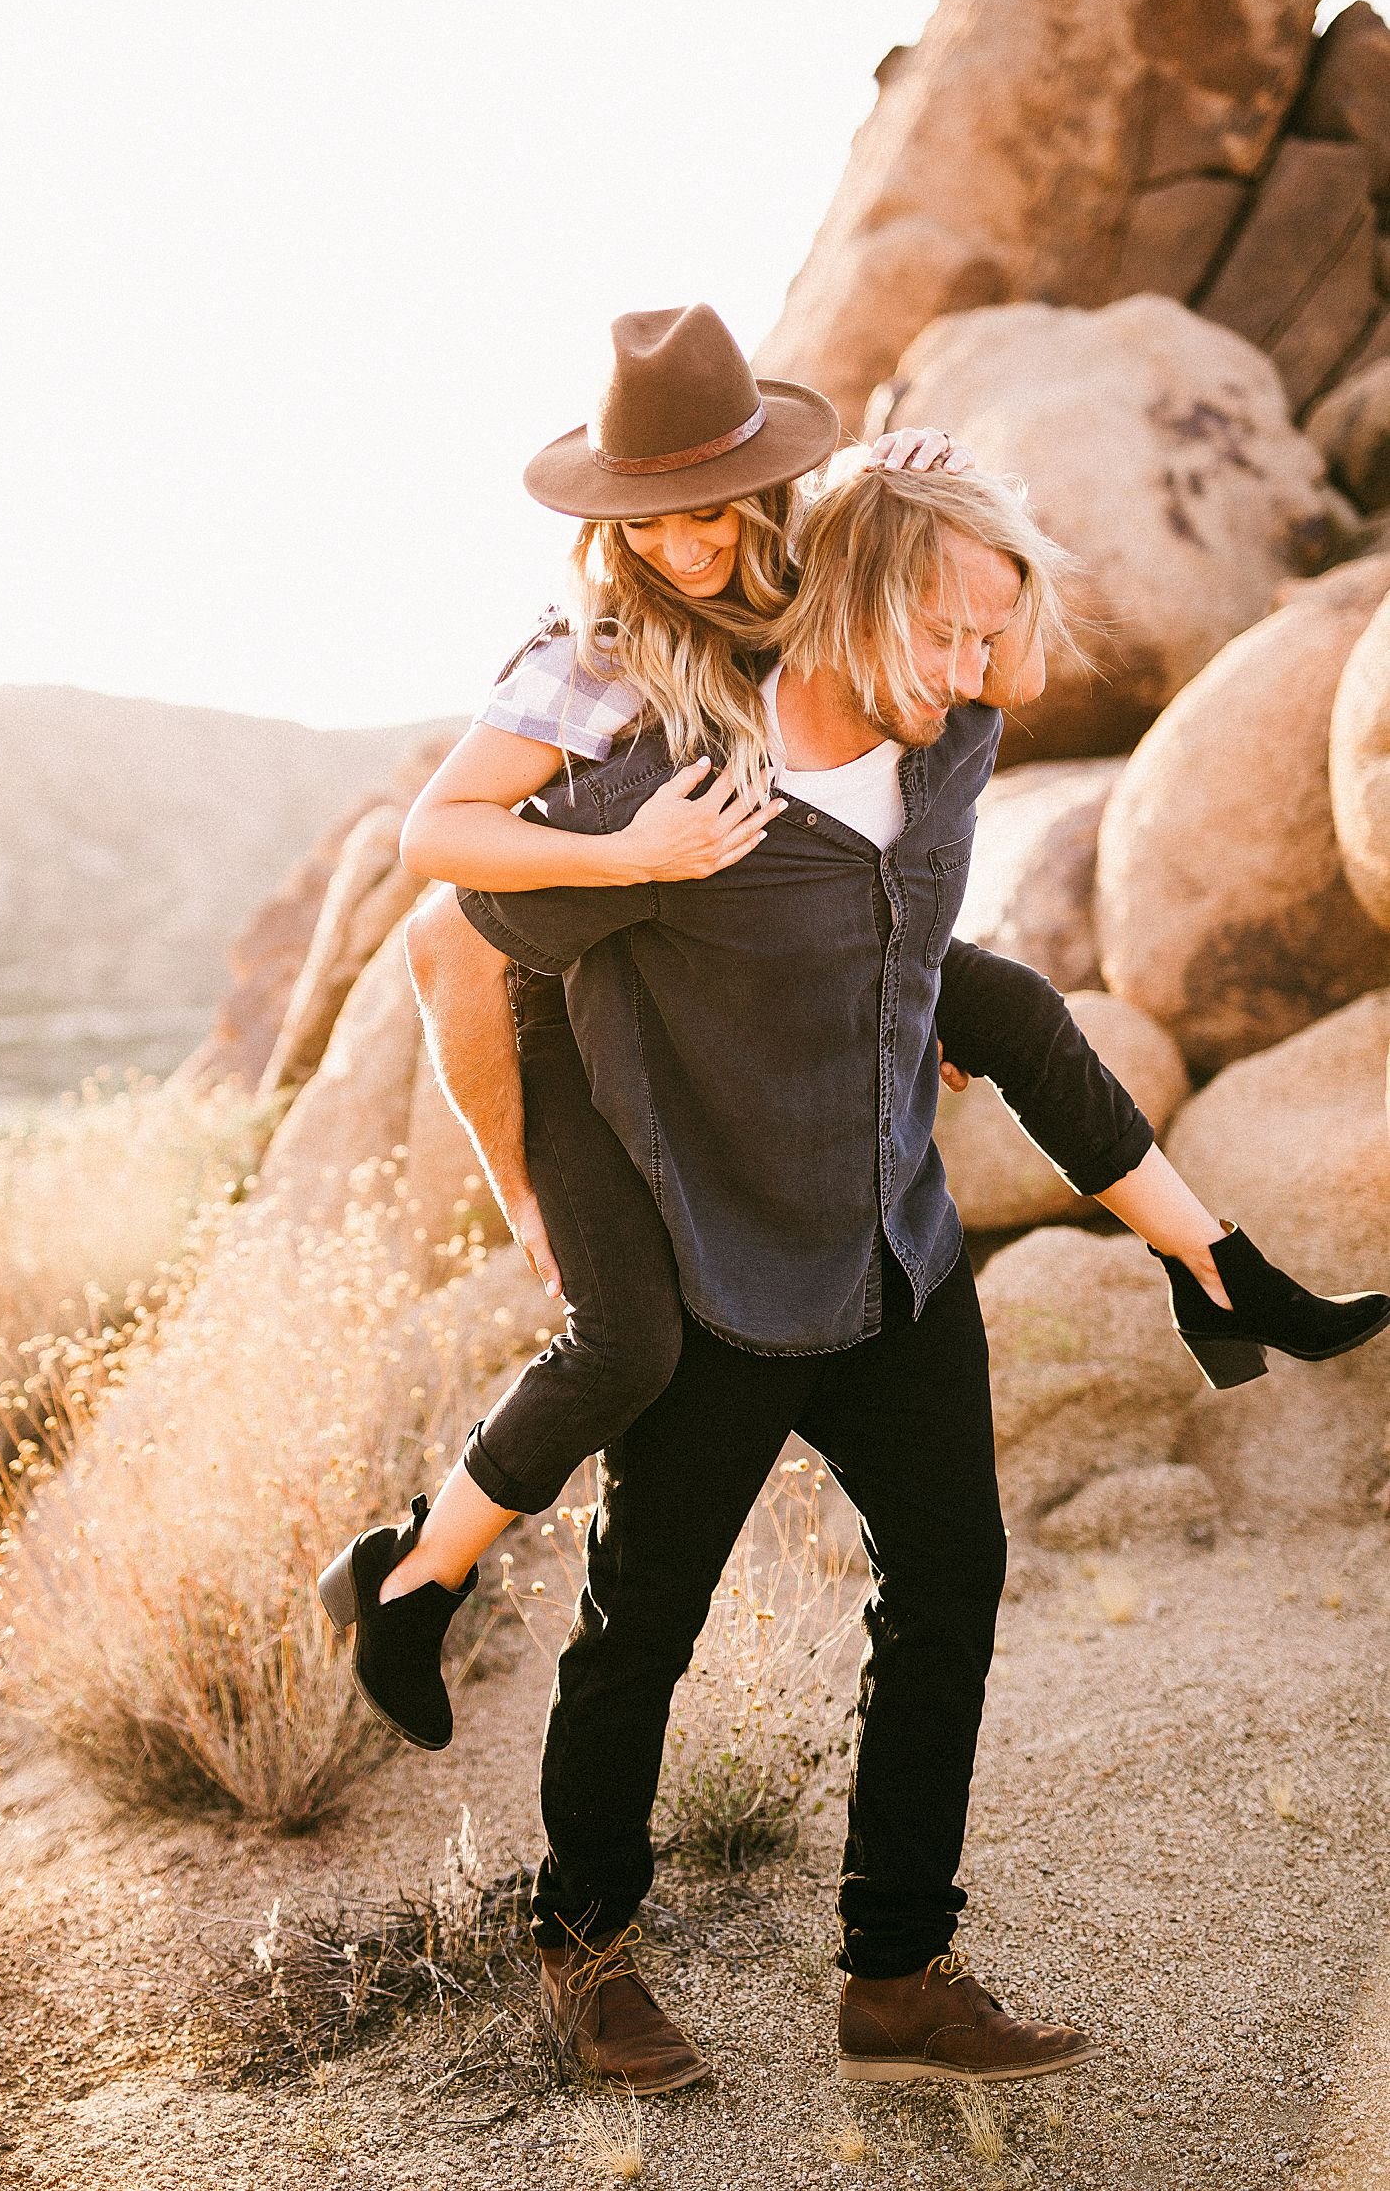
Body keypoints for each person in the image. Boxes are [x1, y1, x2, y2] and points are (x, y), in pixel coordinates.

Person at [318, 307, 1389, 2089]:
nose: (985, 662)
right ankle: (581, 1939)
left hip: (894, 1245)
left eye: (1001, 627)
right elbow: (464, 932)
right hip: (718, 1259)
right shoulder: (661, 753)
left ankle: (897, 1973)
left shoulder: (953, 728)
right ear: (866, 600)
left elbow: (935, 944)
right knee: (639, 1630)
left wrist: (899, 1001)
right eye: (954, 625)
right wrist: (540, 1174)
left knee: (952, 1583)